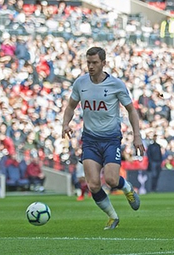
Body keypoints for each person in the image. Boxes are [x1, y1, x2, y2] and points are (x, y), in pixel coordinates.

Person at [62, 47, 146, 230]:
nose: (90, 66)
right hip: (90, 139)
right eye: (88, 63)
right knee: (92, 184)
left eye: (94, 63)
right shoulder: (81, 83)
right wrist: (65, 124)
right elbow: (70, 106)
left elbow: (131, 110)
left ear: (103, 63)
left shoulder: (116, 85)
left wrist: (137, 136)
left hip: (111, 139)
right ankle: (112, 216)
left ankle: (127, 189)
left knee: (111, 180)